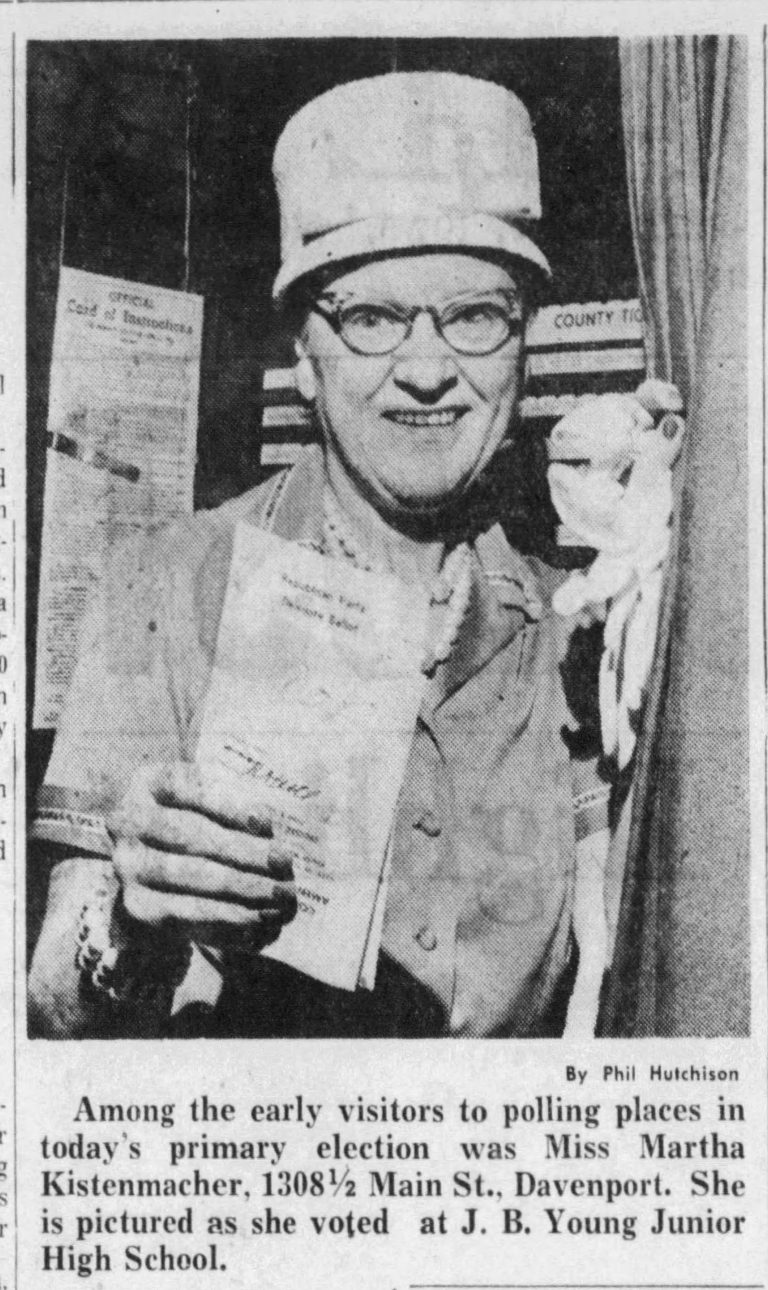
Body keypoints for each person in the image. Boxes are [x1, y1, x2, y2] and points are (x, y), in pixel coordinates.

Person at [29, 71, 680, 1040]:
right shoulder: (164, 585)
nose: (426, 370)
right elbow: (52, 1004)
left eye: (475, 315)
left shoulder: (581, 627)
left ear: (524, 348)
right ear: (305, 354)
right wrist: (130, 921)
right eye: (372, 319)